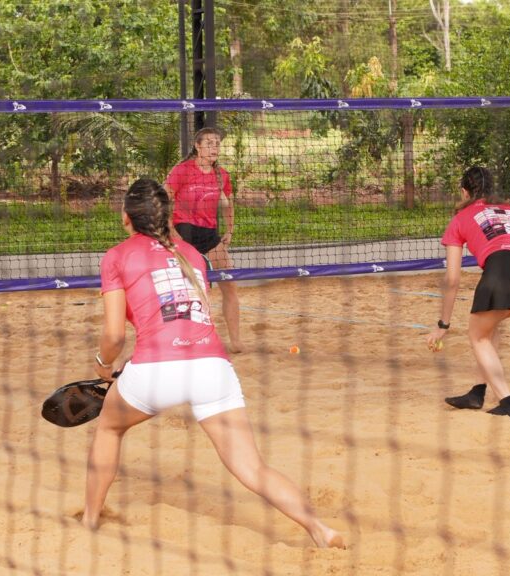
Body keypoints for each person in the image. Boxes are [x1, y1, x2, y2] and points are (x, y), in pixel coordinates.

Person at [83, 178, 343, 548]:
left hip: (157, 372)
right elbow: (181, 318)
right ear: (168, 216)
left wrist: (102, 364)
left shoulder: (117, 256)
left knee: (109, 429)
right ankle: (319, 529)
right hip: (211, 367)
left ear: (126, 217)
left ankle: (90, 519)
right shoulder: (192, 254)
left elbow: (113, 337)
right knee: (252, 467)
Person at [426, 166, 510, 418]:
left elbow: (452, 280)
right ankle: (477, 393)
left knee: (477, 336)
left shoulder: (460, 218)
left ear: (464, 192)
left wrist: (443, 325)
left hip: (502, 270)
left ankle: (506, 401)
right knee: (488, 326)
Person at [164, 127, 244, 353]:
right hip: (184, 235)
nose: (214, 148)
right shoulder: (182, 170)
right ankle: (180, 339)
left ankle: (235, 341)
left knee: (229, 286)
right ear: (197, 146)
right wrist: (170, 229)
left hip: (209, 235)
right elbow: (164, 198)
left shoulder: (222, 175)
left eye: (217, 144)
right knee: (185, 292)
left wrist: (230, 229)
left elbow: (228, 203)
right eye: (209, 143)